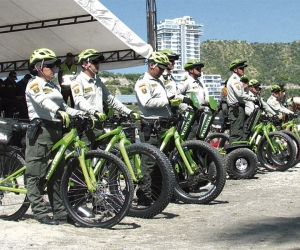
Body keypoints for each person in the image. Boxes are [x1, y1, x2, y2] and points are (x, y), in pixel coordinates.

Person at [25, 48, 84, 225]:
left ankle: (60, 212)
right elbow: (42, 101)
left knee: (57, 174)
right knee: (36, 174)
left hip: (56, 131)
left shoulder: (54, 86)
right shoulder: (34, 84)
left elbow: (65, 107)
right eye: (49, 66)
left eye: (54, 66)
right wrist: (57, 110)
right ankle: (39, 212)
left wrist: (82, 114)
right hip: (41, 131)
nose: (54, 69)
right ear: (38, 67)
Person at [70, 48, 139, 150]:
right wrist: (94, 111)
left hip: (99, 124)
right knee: (85, 160)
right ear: (85, 64)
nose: (98, 64)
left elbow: (110, 99)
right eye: (94, 62)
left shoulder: (98, 81)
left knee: (106, 156)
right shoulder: (77, 81)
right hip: (86, 126)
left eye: (98, 62)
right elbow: (79, 100)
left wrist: (129, 111)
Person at [135, 51, 175, 205]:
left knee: (162, 161)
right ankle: (144, 195)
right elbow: (147, 103)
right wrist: (167, 101)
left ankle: (158, 193)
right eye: (161, 68)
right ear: (152, 65)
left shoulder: (158, 81)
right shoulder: (142, 82)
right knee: (149, 162)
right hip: (150, 126)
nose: (163, 71)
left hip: (163, 124)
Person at [226, 59, 256, 143]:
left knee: (241, 131)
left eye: (243, 68)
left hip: (240, 108)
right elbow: (240, 94)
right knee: (236, 133)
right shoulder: (234, 80)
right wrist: (253, 98)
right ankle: (234, 153)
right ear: (235, 69)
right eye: (241, 68)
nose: (243, 70)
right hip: (236, 109)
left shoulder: (238, 79)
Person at [177, 58, 207, 139]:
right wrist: (186, 106)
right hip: (190, 114)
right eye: (197, 68)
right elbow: (176, 94)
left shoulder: (199, 82)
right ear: (190, 70)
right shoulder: (186, 81)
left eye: (200, 68)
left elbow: (203, 97)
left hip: (199, 113)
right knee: (190, 136)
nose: (200, 70)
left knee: (198, 136)